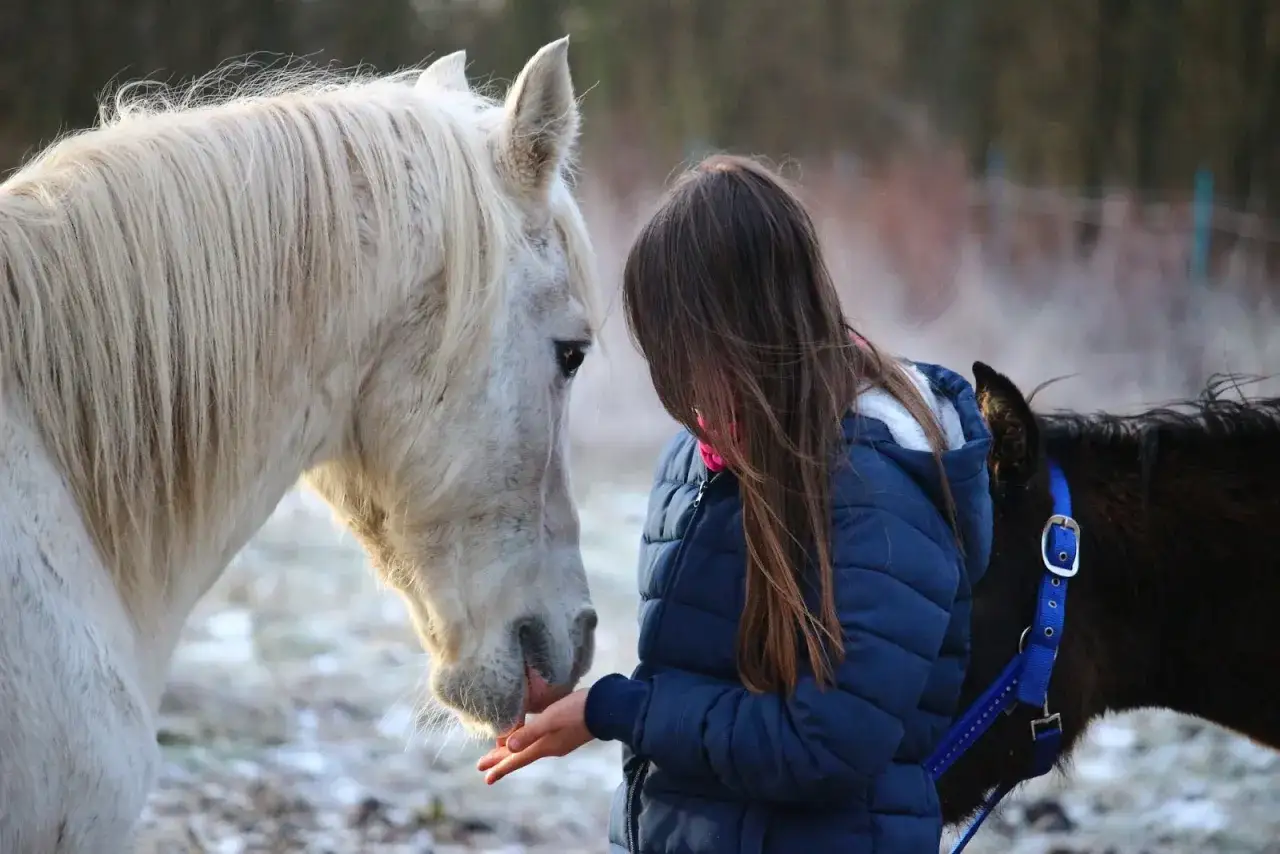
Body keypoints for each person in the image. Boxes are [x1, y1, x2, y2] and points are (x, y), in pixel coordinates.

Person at [476, 153, 994, 854]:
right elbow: (698, 692)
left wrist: (619, 710)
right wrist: (576, 697)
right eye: (667, 361)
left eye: (693, 356)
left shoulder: (878, 496)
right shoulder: (696, 464)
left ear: (756, 333)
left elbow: (823, 744)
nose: (685, 395)